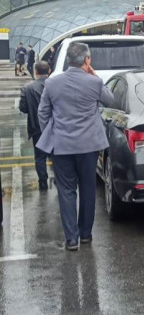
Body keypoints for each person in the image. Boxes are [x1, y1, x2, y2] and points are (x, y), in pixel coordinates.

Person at [37, 42, 114, 251]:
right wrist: (95, 75)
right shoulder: (94, 82)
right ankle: (86, 234)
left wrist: (51, 133)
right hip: (89, 146)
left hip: (61, 145)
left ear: (69, 59)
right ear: (86, 60)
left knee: (66, 191)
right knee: (88, 188)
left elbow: (42, 113)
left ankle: (71, 239)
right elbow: (111, 100)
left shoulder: (52, 83)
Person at [19, 61, 51, 190]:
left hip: (36, 127)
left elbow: (23, 108)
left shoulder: (27, 88)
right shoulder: (55, 85)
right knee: (58, 154)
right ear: (49, 71)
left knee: (39, 156)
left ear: (36, 72)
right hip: (54, 126)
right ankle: (60, 179)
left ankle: (43, 181)